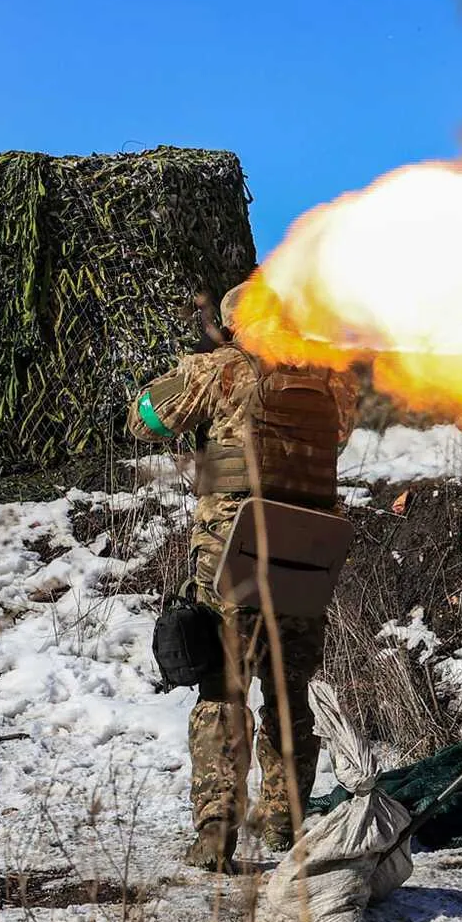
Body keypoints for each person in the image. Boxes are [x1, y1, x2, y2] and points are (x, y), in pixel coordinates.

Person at [129, 285, 342, 870]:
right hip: (308, 549)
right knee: (288, 690)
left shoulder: (220, 368)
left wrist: (187, 368)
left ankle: (217, 831)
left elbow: (145, 421)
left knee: (223, 687)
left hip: (236, 548)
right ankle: (284, 821)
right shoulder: (327, 377)